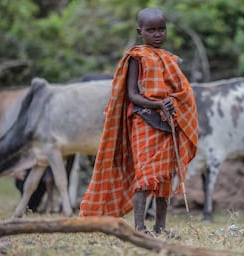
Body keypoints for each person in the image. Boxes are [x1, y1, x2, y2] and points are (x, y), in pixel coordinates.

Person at [79, 7, 198, 237]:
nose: (157, 34)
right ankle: (140, 228)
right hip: (144, 121)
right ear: (139, 31)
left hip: (166, 124)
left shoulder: (171, 60)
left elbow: (182, 92)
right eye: (151, 30)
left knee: (164, 177)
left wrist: (172, 102)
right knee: (145, 176)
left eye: (161, 29)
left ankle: (160, 227)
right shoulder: (136, 57)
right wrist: (159, 104)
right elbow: (132, 95)